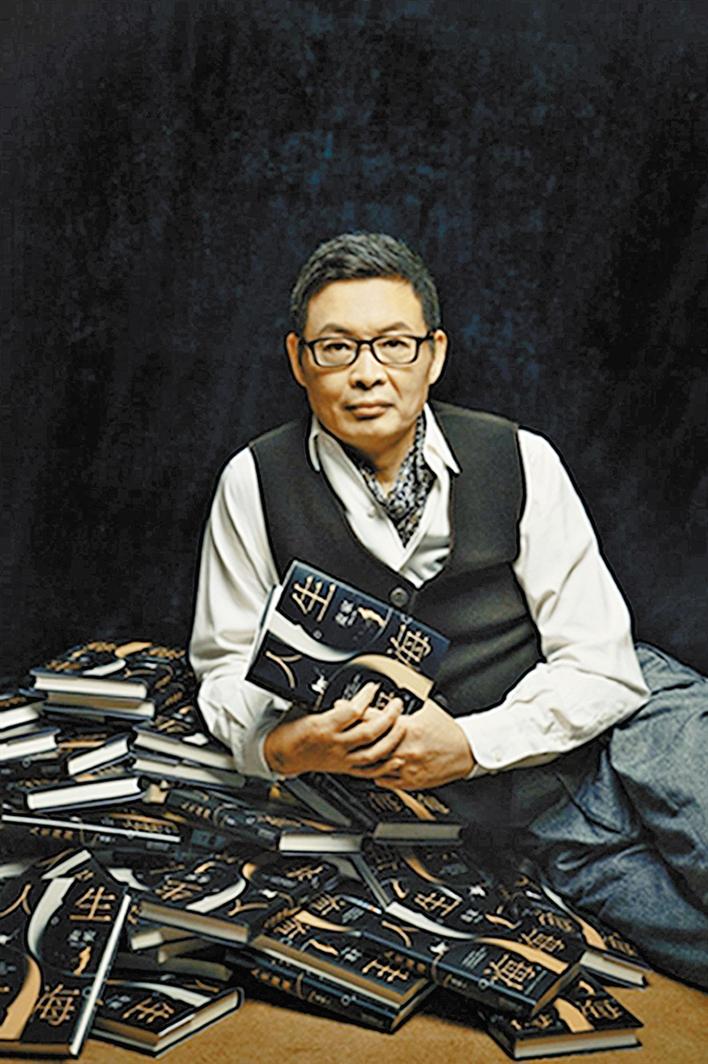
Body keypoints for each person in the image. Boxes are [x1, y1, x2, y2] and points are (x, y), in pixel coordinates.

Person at [190, 232, 708, 988]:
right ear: (299, 360)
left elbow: (604, 666)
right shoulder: (253, 480)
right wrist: (286, 747)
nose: (368, 373)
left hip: (634, 726)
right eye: (336, 348)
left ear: (433, 355)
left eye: (394, 345)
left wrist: (467, 744)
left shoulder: (520, 457)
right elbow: (223, 671)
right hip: (532, 825)